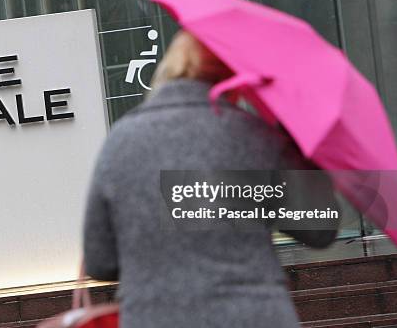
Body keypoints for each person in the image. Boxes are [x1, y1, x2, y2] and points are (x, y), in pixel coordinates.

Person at [82, 31, 339, 327]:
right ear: (233, 77)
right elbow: (320, 228)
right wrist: (297, 149)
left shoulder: (120, 141)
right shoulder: (258, 137)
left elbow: (100, 261)